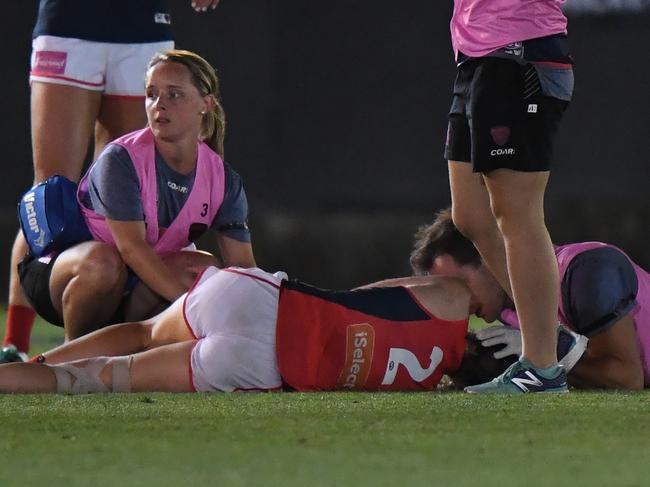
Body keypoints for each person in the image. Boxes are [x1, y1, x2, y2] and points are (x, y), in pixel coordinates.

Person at [2, 0, 222, 361]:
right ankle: (14, 347)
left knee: (126, 196)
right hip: (69, 23)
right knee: (49, 199)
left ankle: (95, 347)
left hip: (142, 27)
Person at [15, 49, 256, 345]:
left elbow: (243, 269)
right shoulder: (121, 158)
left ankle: (128, 349)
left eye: (174, 95)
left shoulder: (224, 180)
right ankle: (74, 358)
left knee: (207, 270)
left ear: (205, 104)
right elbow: (131, 248)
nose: (159, 105)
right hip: (67, 274)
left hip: (132, 283)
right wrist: (193, 306)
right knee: (104, 262)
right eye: (152, 94)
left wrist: (263, 315)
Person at [0, 266, 517, 394]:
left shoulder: (451, 299)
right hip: (260, 364)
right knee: (100, 379)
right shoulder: (427, 385)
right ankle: (16, 380)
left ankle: (31, 361)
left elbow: (367, 295)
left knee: (138, 332)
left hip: (264, 302)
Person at [442, 0, 575, 392]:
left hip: (520, 52)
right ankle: (550, 335)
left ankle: (542, 367)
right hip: (476, 56)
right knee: (470, 215)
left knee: (517, 214)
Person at [410, 208, 649, 390]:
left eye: (460, 286)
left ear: (488, 257)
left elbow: (627, 377)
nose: (461, 303)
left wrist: (552, 354)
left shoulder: (586, 271)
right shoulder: (513, 316)